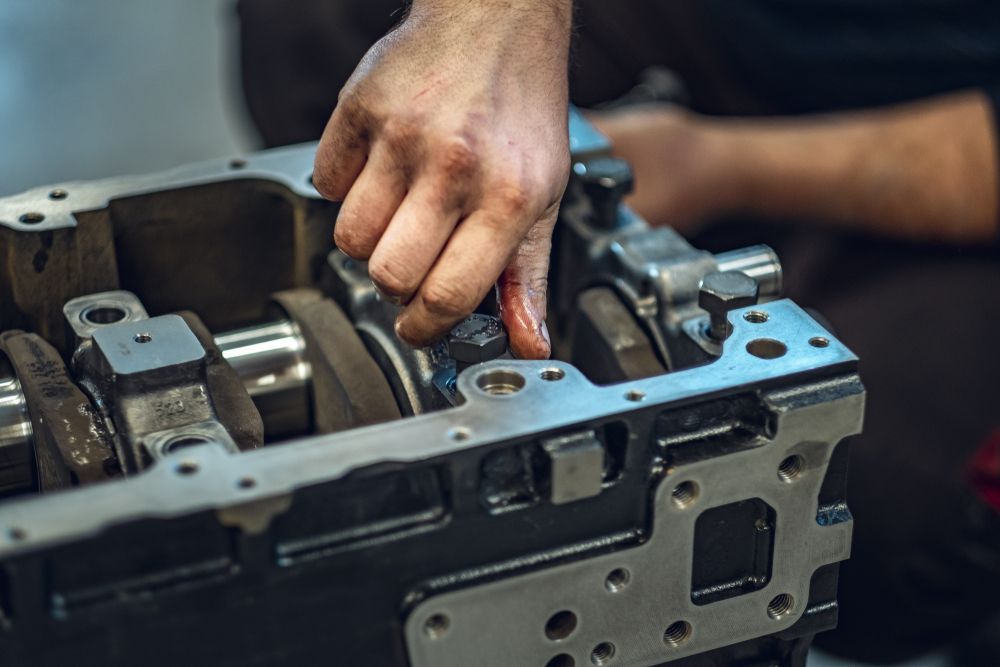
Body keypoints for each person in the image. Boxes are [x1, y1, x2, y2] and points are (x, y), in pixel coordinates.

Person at [237, 1, 1000, 662]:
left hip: (966, 149)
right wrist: (492, 25)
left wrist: (718, 164)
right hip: (774, 29)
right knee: (318, 19)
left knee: (875, 496)